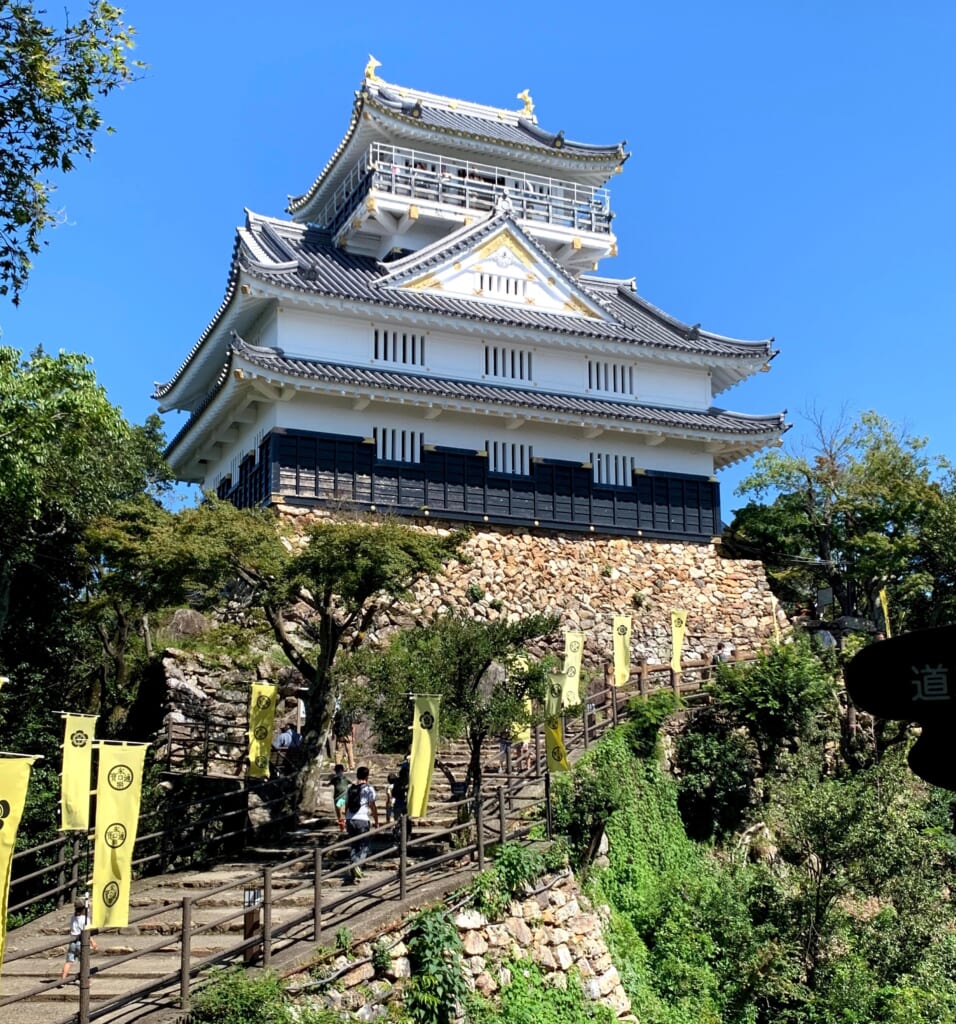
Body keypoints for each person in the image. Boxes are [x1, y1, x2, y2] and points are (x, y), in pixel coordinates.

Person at [344, 766, 378, 882]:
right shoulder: (368, 789)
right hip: (362, 819)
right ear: (367, 776)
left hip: (350, 819)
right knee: (364, 845)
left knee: (354, 844)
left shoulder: (350, 788)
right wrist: (376, 820)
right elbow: (372, 805)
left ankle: (353, 869)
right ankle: (356, 866)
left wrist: (345, 818)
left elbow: (346, 804)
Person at [61, 900, 96, 981]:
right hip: (81, 942)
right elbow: (86, 932)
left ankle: (63, 979)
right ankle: (86, 980)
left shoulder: (73, 918)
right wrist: (92, 942)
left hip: (72, 941)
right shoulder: (85, 919)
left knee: (69, 961)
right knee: (84, 961)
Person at [327, 763, 351, 832]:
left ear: (342, 771)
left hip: (343, 797)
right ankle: (342, 827)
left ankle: (344, 827)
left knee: (341, 812)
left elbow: (352, 783)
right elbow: (329, 784)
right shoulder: (335, 779)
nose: (338, 773)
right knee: (339, 813)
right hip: (337, 798)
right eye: (337, 771)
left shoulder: (345, 778)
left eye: (339, 771)